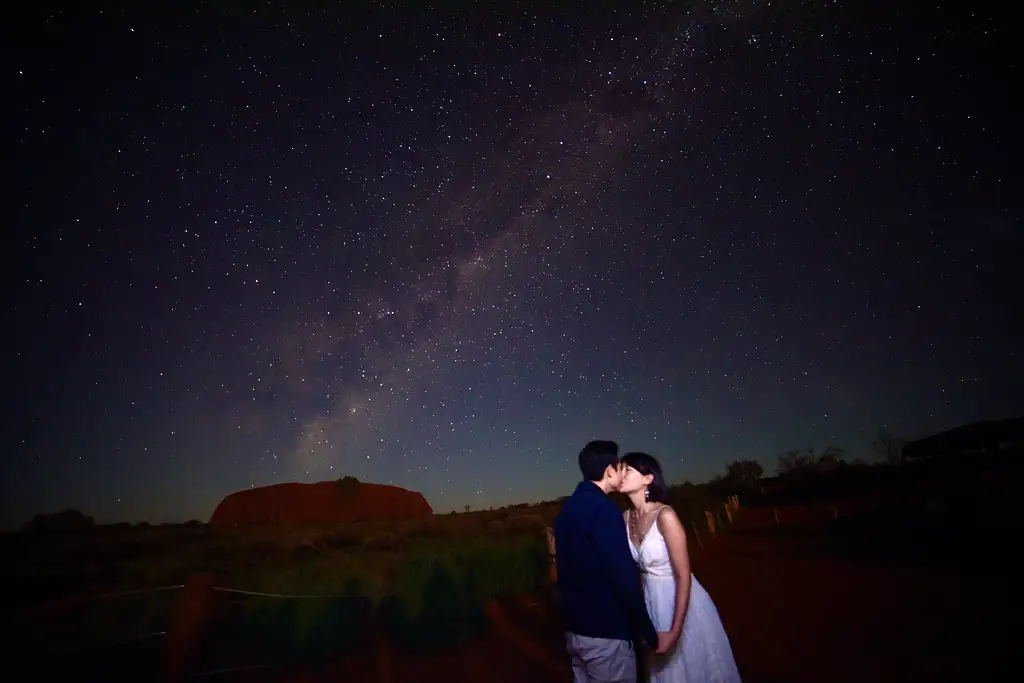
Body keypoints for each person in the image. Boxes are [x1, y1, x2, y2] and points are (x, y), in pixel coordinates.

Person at [618, 451, 743, 683]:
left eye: (628, 469)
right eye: (620, 468)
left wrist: (675, 632)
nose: (621, 474)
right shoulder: (625, 518)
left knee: (690, 668)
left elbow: (683, 575)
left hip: (678, 600)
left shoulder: (665, 515)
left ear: (648, 479)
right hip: (650, 601)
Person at [554, 440, 666, 683]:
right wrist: (646, 631)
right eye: (619, 467)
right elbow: (622, 577)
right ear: (609, 471)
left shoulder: (567, 510)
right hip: (604, 632)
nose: (621, 473)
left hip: (575, 631)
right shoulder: (604, 510)